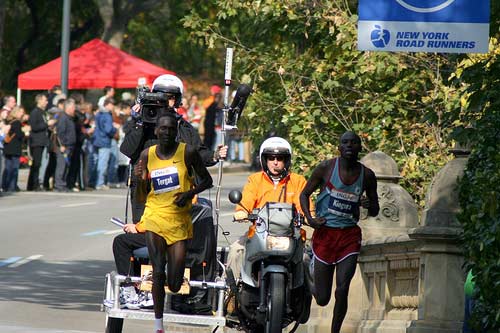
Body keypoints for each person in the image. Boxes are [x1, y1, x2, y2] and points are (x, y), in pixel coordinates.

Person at [134, 111, 213, 333]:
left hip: (179, 220)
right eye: (163, 128)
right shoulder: (146, 155)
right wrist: (140, 179)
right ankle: (158, 325)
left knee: (176, 283)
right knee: (158, 269)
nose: (167, 132)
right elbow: (141, 196)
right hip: (155, 216)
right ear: (157, 131)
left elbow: (207, 180)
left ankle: (172, 285)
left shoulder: (187, 152)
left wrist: (189, 194)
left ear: (175, 131)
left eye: (171, 128)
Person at [299, 131, 379, 333]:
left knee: (342, 289)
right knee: (323, 298)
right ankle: (307, 275)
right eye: (345, 142)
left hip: (349, 236)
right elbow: (304, 194)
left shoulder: (367, 175)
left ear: (360, 147)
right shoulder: (326, 168)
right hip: (325, 234)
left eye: (354, 143)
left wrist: (369, 204)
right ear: (339, 147)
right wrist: (310, 219)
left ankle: (335, 331)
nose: (349, 146)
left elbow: (376, 209)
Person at [226, 136, 311, 278]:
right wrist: (241, 212)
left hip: (290, 235)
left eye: (280, 158)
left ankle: (308, 298)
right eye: (271, 158)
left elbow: (306, 208)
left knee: (306, 260)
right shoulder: (255, 180)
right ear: (264, 160)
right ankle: (232, 297)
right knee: (236, 251)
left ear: (287, 160)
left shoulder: (298, 181)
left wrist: (310, 216)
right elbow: (245, 202)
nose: (275, 162)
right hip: (260, 234)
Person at [27, 94, 53, 191]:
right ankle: (34, 184)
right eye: (45, 100)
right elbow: (34, 127)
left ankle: (34, 184)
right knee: (36, 163)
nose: (46, 102)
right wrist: (46, 124)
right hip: (37, 141)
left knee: (39, 163)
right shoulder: (35, 112)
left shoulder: (43, 112)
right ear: (39, 101)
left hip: (43, 140)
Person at [93, 98, 118, 190]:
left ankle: (93, 181)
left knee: (95, 162)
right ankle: (100, 183)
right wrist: (115, 129)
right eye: (112, 105)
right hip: (105, 141)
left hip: (97, 140)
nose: (113, 107)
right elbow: (108, 129)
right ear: (107, 105)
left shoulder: (99, 113)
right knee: (103, 163)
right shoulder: (107, 115)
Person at [53, 99, 77, 192]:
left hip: (69, 146)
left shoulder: (69, 118)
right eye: (73, 107)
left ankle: (63, 184)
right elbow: (60, 133)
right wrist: (62, 144)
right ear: (68, 108)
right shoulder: (63, 118)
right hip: (64, 146)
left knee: (66, 166)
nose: (74, 109)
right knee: (61, 166)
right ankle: (59, 185)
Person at [2, 106, 26, 192]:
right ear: (16, 112)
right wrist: (24, 133)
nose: (22, 114)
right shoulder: (17, 123)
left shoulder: (8, 121)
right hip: (15, 148)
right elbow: (19, 135)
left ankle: (4, 185)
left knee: (7, 168)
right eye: (21, 112)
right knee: (14, 168)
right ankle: (12, 186)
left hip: (7, 146)